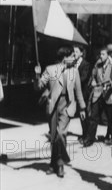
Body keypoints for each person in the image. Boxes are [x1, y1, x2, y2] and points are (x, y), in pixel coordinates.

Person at [34, 46, 86, 177]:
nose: (75, 58)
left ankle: (61, 163)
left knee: (61, 134)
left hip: (67, 105)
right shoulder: (50, 69)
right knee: (53, 136)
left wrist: (82, 108)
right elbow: (38, 86)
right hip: (52, 106)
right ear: (64, 58)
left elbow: (78, 91)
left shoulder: (74, 72)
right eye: (72, 56)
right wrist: (37, 75)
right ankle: (53, 163)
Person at [82, 47, 112, 146]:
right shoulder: (98, 63)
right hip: (98, 92)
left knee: (110, 116)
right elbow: (93, 76)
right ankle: (90, 138)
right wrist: (94, 83)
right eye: (100, 54)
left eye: (103, 54)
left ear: (108, 55)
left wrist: (109, 85)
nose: (101, 56)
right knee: (93, 115)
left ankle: (109, 135)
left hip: (109, 93)